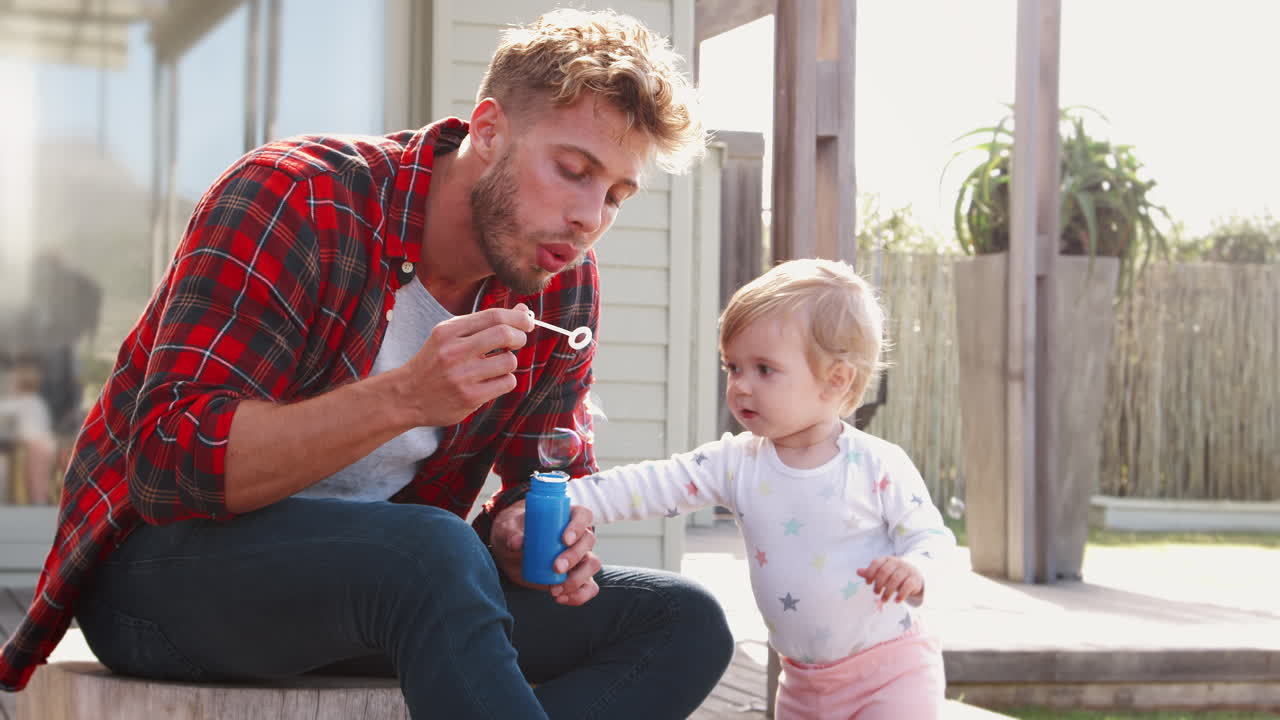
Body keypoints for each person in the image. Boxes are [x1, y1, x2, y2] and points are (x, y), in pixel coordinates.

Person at [0, 9, 735, 718]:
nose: (590, 218)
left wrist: (529, 530)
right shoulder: (297, 195)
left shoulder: (561, 279)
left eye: (616, 195)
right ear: (487, 131)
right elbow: (169, 464)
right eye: (574, 170)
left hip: (387, 592)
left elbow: (547, 471)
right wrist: (405, 398)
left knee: (683, 621)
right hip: (165, 581)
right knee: (431, 551)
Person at [568, 259, 956, 719]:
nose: (740, 387)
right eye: (733, 367)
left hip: (891, 676)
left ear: (836, 379)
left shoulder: (875, 464)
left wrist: (916, 569)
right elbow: (655, 483)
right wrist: (569, 501)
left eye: (764, 370)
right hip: (802, 684)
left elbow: (932, 538)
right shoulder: (737, 462)